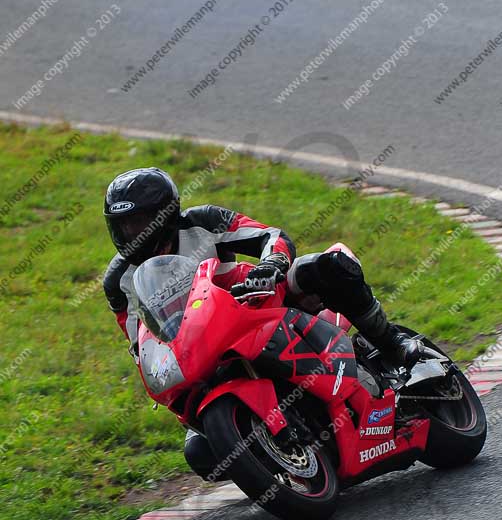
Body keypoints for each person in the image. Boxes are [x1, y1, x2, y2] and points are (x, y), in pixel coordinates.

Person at [102, 167, 422, 479]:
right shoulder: (118, 280)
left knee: (326, 267)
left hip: (253, 300)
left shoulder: (203, 222)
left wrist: (272, 263)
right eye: (123, 226)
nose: (131, 234)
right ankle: (272, 452)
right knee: (202, 454)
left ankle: (390, 343)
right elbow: (139, 339)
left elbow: (269, 235)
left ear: (166, 215)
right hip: (197, 344)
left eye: (139, 222)